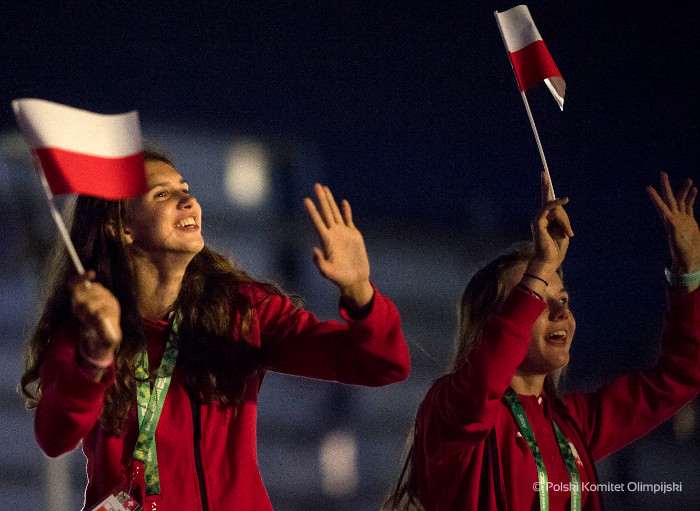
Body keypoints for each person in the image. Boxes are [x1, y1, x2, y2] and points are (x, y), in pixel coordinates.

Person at [20, 149, 410, 511]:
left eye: (185, 190)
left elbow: (382, 365)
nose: (187, 201)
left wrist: (360, 291)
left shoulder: (240, 312)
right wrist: (97, 355)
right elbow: (54, 437)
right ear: (121, 227)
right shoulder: (87, 329)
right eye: (162, 195)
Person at [382, 172, 700, 511]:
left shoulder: (571, 421)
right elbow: (485, 379)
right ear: (494, 323)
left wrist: (688, 272)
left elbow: (679, 377)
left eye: (562, 298)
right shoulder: (450, 408)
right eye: (535, 297)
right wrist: (542, 264)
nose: (560, 310)